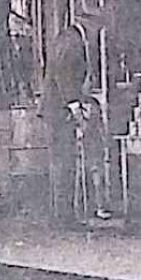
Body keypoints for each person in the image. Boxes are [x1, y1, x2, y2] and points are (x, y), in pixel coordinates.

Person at [41, 22, 89, 226]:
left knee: (62, 164)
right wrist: (75, 108)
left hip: (56, 111)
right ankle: (64, 217)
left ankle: (62, 214)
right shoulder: (72, 42)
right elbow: (65, 75)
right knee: (64, 164)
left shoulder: (65, 39)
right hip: (60, 112)